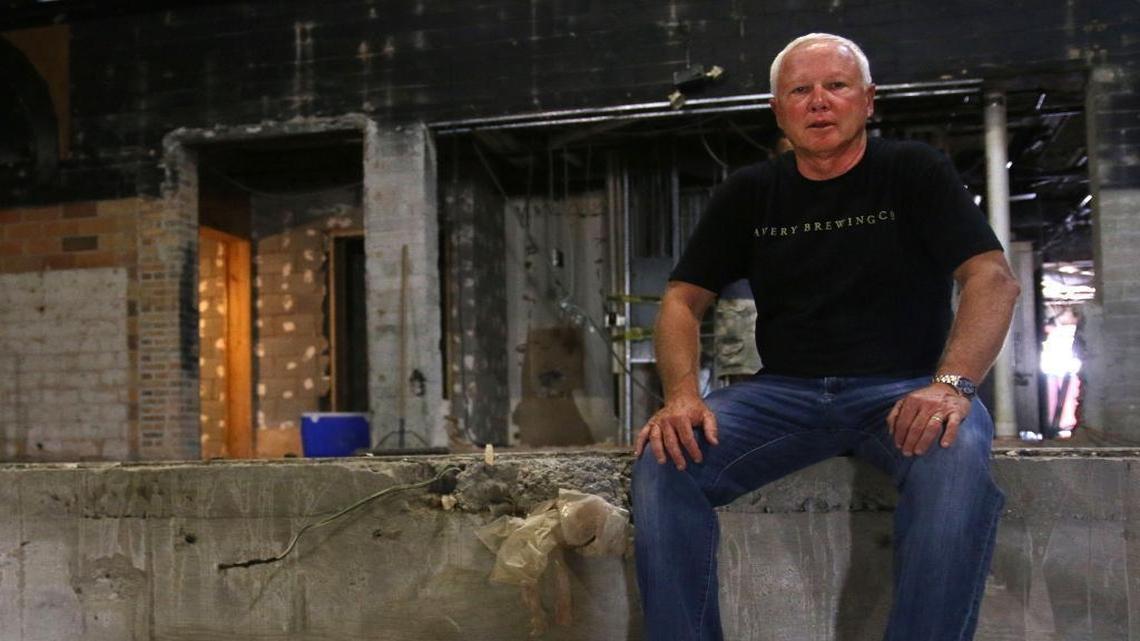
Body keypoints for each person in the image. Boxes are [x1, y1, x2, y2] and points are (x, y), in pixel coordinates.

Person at [631, 33, 1020, 641]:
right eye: (800, 90)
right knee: (666, 459)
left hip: (905, 388)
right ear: (777, 111)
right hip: (784, 393)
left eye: (835, 87)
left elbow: (991, 279)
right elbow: (682, 300)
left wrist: (950, 386)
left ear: (868, 101)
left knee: (956, 454)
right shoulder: (751, 192)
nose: (819, 102)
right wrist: (682, 394)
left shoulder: (913, 171)